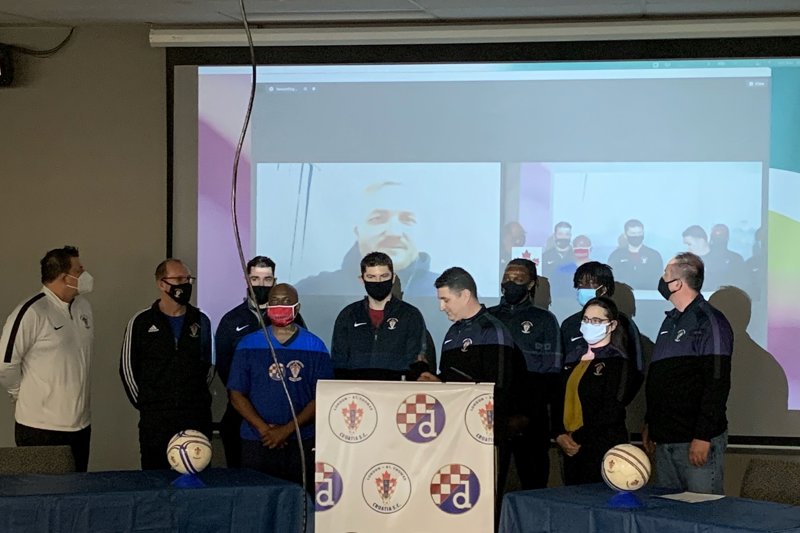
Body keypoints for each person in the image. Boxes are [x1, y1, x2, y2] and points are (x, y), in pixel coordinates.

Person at [418, 267, 527, 501]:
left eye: (446, 300)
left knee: (484, 500)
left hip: (484, 434)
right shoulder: (452, 332)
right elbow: (451, 378)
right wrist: (436, 381)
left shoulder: (493, 330)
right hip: (453, 431)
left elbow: (497, 387)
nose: (442, 307)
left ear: (465, 295)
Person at [643, 252, 733, 494]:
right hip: (665, 440)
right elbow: (660, 377)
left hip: (694, 441)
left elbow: (717, 382)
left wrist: (703, 436)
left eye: (665, 274)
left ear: (677, 284)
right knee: (668, 509)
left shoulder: (709, 321)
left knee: (701, 509)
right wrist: (650, 422)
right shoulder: (670, 321)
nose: (662, 279)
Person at [227, 283, 333, 488]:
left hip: (300, 441)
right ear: (267, 307)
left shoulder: (315, 346)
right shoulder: (248, 344)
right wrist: (264, 430)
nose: (280, 305)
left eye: (286, 301)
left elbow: (321, 397)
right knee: (256, 499)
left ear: (297, 307)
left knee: (298, 500)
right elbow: (236, 395)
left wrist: (286, 430)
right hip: (257, 440)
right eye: (275, 301)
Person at [0, 246, 94, 472]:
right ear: (64, 277)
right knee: (41, 491)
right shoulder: (32, 311)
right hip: (40, 428)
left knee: (77, 490)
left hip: (80, 426)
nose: (85, 274)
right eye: (79, 270)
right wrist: (17, 392)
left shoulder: (83, 307)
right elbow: (5, 363)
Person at [120, 259, 214, 470]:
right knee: (155, 478)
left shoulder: (202, 321)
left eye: (188, 279)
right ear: (162, 284)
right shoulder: (141, 322)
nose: (186, 284)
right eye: (179, 279)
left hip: (195, 418)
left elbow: (210, 367)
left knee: (197, 478)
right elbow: (127, 369)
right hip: (156, 421)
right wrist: (149, 403)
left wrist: (193, 397)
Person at [215, 256, 307, 468]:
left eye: (267, 279)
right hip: (241, 413)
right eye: (255, 279)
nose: (261, 285)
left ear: (275, 281)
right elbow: (224, 366)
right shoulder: (231, 320)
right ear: (247, 280)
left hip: (284, 416)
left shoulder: (294, 319)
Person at [488, 259, 562, 490]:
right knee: (490, 483)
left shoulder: (545, 320)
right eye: (507, 278)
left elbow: (552, 373)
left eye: (518, 279)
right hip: (492, 412)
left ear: (531, 284)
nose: (511, 283)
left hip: (531, 416)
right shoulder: (487, 318)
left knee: (533, 481)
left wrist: (528, 413)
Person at [296, 181, 439, 296]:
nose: (394, 232)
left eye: (407, 220)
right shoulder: (312, 290)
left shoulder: (443, 292)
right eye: (378, 219)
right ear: (357, 229)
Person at [552, 297, 630, 485]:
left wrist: (578, 436)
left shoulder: (617, 361)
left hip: (601, 448)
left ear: (612, 325)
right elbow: (558, 398)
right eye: (586, 320)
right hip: (569, 446)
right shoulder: (573, 357)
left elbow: (611, 409)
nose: (589, 325)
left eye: (596, 321)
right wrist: (559, 434)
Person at [331, 252, 430, 381]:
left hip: (397, 389)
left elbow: (417, 361)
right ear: (362, 279)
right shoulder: (348, 315)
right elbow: (338, 362)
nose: (378, 282)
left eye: (384, 276)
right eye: (371, 277)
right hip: (357, 390)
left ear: (393, 278)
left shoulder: (410, 315)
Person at [560, 261, 644, 406]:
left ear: (603, 289)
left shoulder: (624, 323)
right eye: (580, 285)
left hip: (607, 407)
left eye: (589, 284)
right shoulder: (569, 324)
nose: (582, 289)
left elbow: (636, 369)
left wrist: (617, 404)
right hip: (571, 405)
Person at [607, 219, 664, 289]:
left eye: (639, 233)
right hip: (623, 293)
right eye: (633, 233)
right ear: (626, 235)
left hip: (648, 293)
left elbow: (658, 279)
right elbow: (611, 278)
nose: (636, 236)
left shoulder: (654, 255)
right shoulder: (616, 256)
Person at [542, 221, 577, 301]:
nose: (563, 237)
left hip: (572, 299)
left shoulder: (576, 256)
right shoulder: (545, 256)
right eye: (560, 234)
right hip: (551, 298)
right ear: (555, 236)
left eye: (567, 234)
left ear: (570, 236)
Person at [705, 223, 746, 290]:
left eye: (721, 236)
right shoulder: (703, 259)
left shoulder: (736, 259)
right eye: (716, 237)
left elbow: (742, 283)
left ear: (727, 238)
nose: (718, 240)